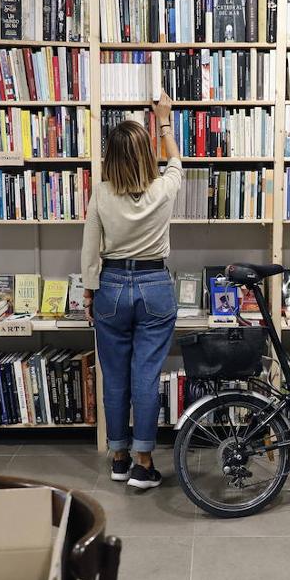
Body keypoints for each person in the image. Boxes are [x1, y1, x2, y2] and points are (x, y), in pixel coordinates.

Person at [82, 92, 181, 489]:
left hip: (111, 288)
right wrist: (164, 121)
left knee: (115, 376)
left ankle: (119, 457)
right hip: (155, 286)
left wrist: (90, 291)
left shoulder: (102, 193)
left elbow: (91, 246)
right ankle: (144, 461)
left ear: (112, 159)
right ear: (144, 157)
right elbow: (176, 160)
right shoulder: (163, 189)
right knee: (146, 375)